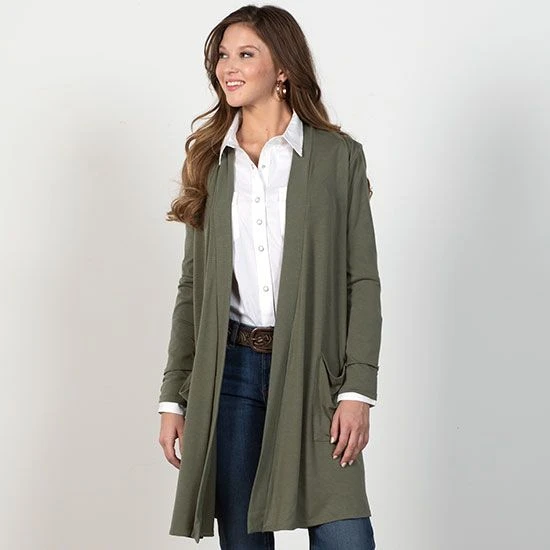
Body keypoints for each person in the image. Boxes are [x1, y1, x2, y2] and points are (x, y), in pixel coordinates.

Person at [157, 5, 382, 549]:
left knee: (346, 536)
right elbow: (192, 289)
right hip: (231, 375)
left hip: (316, 374)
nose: (228, 67)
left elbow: (362, 281)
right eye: (222, 56)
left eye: (245, 54)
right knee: (243, 540)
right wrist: (173, 397)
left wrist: (358, 389)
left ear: (282, 67)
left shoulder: (337, 157)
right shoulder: (210, 161)